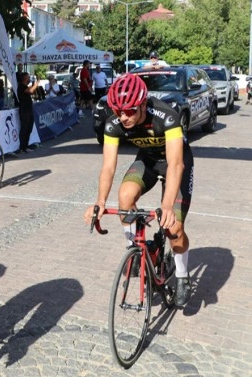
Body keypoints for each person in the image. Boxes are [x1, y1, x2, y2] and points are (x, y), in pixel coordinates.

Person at [83, 74, 194, 306]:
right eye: (118, 111)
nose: (123, 117)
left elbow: (175, 164)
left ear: (143, 104)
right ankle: (138, 248)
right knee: (124, 196)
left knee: (174, 228)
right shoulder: (114, 122)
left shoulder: (167, 116)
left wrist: (167, 206)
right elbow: (108, 166)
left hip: (176, 162)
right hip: (148, 161)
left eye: (130, 111)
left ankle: (182, 276)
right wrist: (100, 201)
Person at [17, 72, 39, 154]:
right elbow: (30, 91)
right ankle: (22, 147)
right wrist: (37, 83)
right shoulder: (21, 86)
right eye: (28, 77)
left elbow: (32, 91)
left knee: (29, 128)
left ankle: (26, 146)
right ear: (24, 78)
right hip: (24, 110)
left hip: (29, 110)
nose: (29, 78)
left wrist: (34, 84)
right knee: (24, 129)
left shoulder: (25, 86)